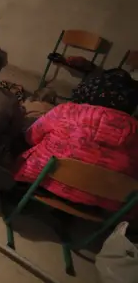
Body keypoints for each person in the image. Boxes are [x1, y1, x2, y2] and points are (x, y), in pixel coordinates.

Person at [9, 69, 138, 213]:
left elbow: (31, 137)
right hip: (97, 201)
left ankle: (17, 193)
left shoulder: (66, 111)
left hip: (42, 181)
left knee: (17, 138)